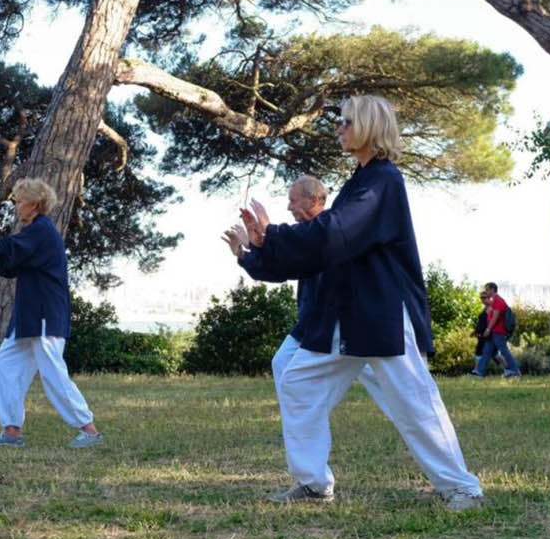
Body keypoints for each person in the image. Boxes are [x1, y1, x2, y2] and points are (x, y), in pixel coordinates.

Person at [237, 94, 484, 510]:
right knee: (296, 379)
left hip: (384, 314)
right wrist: (264, 246)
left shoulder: (384, 181)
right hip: (350, 317)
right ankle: (314, 484)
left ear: (368, 126)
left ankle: (462, 488)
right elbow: (325, 244)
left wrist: (274, 235)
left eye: (346, 122)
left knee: (415, 403)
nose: (339, 128)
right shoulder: (360, 182)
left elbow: (334, 234)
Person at [222, 176, 404, 423]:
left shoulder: (332, 232)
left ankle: (414, 422)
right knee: (283, 363)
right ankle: (300, 424)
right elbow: (280, 269)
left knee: (393, 390)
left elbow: (294, 253)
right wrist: (249, 252)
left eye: (293, 200)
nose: (289, 207)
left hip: (344, 326)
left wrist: (265, 237)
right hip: (314, 324)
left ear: (314, 199)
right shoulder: (302, 236)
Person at [0, 178, 104, 449]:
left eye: (19, 201)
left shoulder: (41, 231)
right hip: (29, 316)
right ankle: (12, 432)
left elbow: (0, 251)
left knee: (52, 373)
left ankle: (89, 430)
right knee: (4, 363)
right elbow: (5, 257)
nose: (16, 206)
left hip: (44, 314)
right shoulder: (35, 232)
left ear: (34, 204)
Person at [470, 283, 521, 378]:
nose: (487, 292)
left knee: (504, 351)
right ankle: (479, 372)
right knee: (486, 351)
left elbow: (495, 317)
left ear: (493, 290)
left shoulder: (498, 301)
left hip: (498, 332)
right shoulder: (494, 301)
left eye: (488, 290)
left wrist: (488, 329)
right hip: (493, 332)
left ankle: (514, 370)